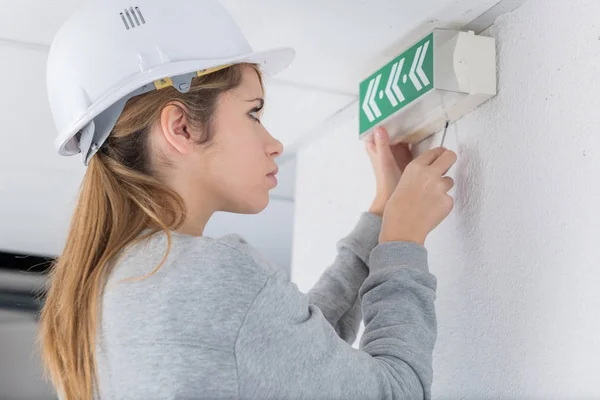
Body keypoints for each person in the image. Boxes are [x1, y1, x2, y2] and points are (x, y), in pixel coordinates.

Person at [37, 0, 457, 399]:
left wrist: (382, 216)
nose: (273, 143)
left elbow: (282, 355)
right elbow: (398, 391)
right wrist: (402, 241)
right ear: (181, 127)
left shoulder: (100, 296)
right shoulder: (208, 274)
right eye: (253, 112)